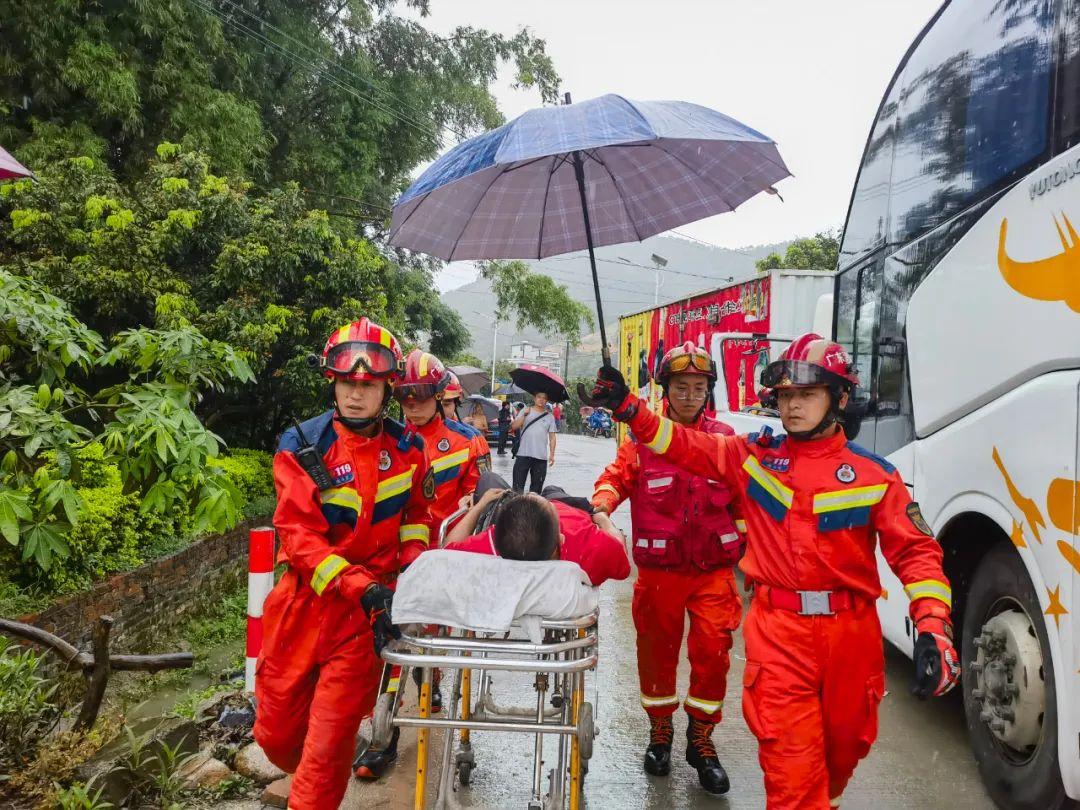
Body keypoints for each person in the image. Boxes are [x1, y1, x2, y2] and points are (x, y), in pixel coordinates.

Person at [582, 334, 959, 810]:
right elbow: (680, 444)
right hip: (778, 635)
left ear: (839, 398)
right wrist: (627, 407)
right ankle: (670, 736)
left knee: (843, 753)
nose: (793, 407)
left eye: (805, 395)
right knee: (793, 778)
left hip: (852, 637)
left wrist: (933, 625)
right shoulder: (752, 456)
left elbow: (918, 553)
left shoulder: (874, 476)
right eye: (784, 397)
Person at [253, 318, 435, 810]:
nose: (356, 394)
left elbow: (417, 519)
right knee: (275, 736)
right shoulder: (302, 448)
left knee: (328, 746)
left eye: (368, 384)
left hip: (362, 621)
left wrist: (408, 572)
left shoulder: (407, 450)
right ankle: (317, 758)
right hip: (302, 606)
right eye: (347, 382)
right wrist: (360, 586)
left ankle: (322, 773)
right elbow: (298, 536)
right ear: (332, 382)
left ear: (386, 387)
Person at [590, 342, 744, 795]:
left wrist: (751, 549)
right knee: (656, 656)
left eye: (699, 387)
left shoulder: (724, 440)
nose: (691, 395)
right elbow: (612, 481)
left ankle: (701, 741)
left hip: (713, 573)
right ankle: (661, 732)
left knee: (713, 655)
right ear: (665, 390)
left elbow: (743, 502)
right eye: (682, 386)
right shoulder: (641, 443)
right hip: (660, 575)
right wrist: (600, 508)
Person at [354, 349, 487, 780]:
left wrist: (470, 507)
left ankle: (428, 683)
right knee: (393, 646)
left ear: (438, 392)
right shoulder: (382, 440)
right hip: (391, 560)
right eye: (405, 394)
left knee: (427, 641)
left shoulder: (469, 442)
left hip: (445, 559)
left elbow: (481, 500)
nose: (412, 403)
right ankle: (384, 738)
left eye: (421, 393)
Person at [445, 473, 630, 586]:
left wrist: (479, 506)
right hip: (571, 507)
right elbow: (620, 549)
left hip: (523, 512)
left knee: (488, 479)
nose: (531, 492)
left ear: (495, 530)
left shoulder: (491, 542)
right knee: (552, 489)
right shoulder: (587, 545)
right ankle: (550, 495)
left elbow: (446, 548)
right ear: (560, 539)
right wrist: (602, 519)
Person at [510, 392, 557, 493]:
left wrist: (552, 454)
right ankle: (516, 508)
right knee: (517, 488)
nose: (541, 400)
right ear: (534, 398)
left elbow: (552, 437)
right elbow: (514, 426)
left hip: (540, 457)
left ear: (546, 401)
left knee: (536, 490)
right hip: (523, 455)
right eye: (539, 397)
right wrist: (524, 415)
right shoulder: (525, 411)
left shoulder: (550, 417)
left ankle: (532, 508)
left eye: (544, 398)